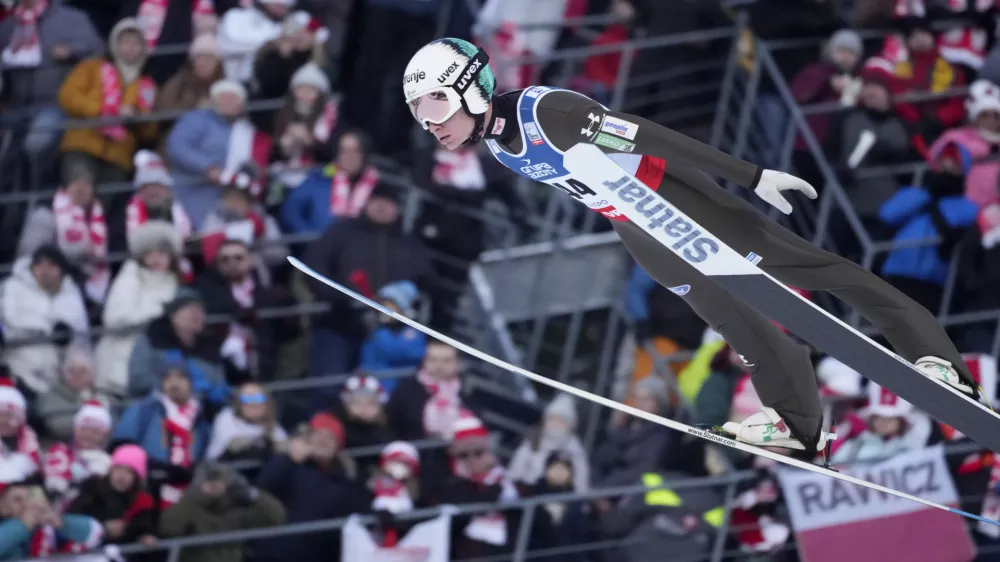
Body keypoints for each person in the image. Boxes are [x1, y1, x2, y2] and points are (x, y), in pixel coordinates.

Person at [401, 37, 977, 455]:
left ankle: (934, 356)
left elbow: (652, 138)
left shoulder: (548, 111)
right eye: (417, 113)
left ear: (471, 86)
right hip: (634, 226)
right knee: (729, 318)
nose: (430, 124)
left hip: (672, 197)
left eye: (433, 105)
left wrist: (750, 175)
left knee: (807, 267)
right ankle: (798, 422)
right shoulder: (500, 149)